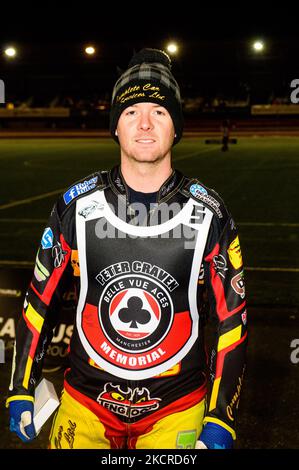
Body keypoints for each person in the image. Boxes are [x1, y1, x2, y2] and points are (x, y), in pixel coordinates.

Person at [6, 48, 247, 449]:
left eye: (160, 111)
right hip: (84, 405)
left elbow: (231, 321)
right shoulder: (75, 206)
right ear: (116, 126)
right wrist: (20, 386)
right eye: (132, 112)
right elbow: (39, 300)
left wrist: (222, 415)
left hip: (177, 409)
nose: (146, 124)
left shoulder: (211, 214)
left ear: (176, 128)